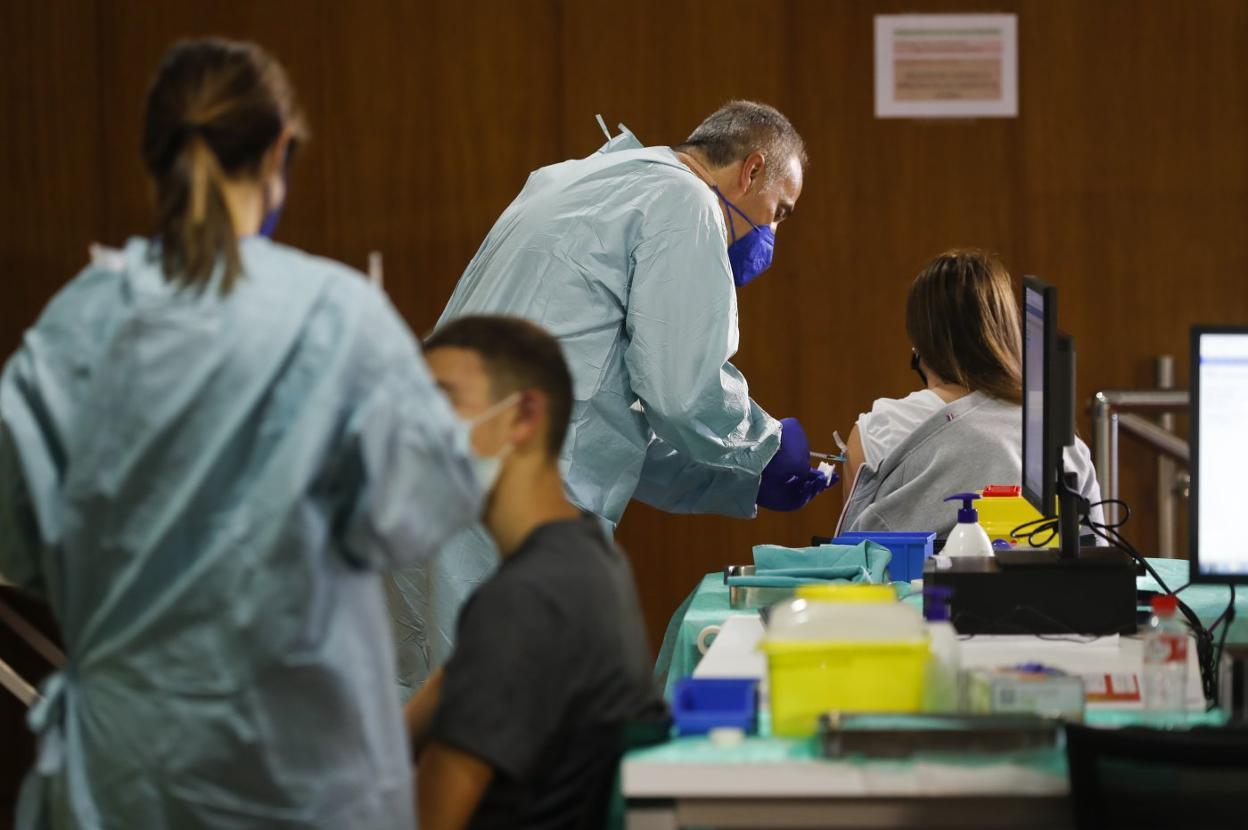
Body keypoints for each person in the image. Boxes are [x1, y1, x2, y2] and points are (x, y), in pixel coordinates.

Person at [0, 38, 484, 829]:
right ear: (279, 152)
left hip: (121, 780)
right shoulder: (341, 316)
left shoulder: (73, 326)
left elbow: (17, 549)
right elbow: (425, 517)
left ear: (153, 158)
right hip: (299, 771)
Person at [389, 101, 834, 690]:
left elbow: (612, 433)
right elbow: (681, 392)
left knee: (431, 708)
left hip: (423, 466)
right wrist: (765, 444)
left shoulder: (575, 182)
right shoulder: (686, 203)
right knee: (498, 715)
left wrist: (744, 480)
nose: (771, 235)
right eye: (778, 213)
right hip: (501, 492)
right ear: (750, 171)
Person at [404, 315, 666, 830]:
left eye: (444, 404)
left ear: (523, 415)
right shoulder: (587, 557)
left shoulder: (525, 601)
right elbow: (455, 686)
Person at [839, 250, 1102, 536]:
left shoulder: (879, 429)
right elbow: (1098, 561)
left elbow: (854, 564)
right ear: (1007, 331)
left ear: (918, 342)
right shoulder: (1062, 444)